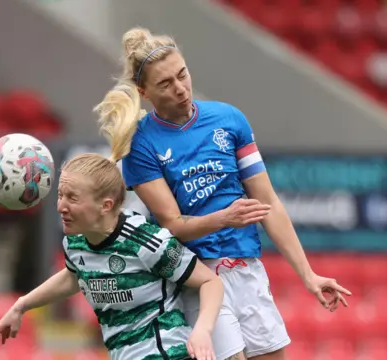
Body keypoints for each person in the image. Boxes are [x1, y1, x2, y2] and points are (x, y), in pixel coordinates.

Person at [94, 27, 352, 360]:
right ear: (144, 92)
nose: (181, 89)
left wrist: (308, 274)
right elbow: (171, 223)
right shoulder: (141, 144)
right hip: (198, 276)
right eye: (165, 84)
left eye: (182, 75)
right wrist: (222, 219)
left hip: (247, 269)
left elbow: (268, 203)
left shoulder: (229, 119)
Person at [0, 153, 225, 360]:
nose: (61, 206)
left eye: (72, 198)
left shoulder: (146, 242)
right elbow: (75, 276)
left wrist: (202, 330)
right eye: (60, 195)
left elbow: (209, 281)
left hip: (166, 353)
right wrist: (21, 306)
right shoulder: (76, 241)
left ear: (106, 205)